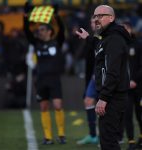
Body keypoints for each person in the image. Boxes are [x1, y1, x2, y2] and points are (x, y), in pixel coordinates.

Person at [76, 5, 131, 150]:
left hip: (113, 96)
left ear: (111, 18)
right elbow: (100, 47)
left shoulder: (114, 39)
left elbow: (113, 72)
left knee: (108, 141)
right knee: (107, 139)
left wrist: (104, 98)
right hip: (112, 95)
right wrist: (88, 38)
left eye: (101, 15)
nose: (96, 19)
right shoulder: (107, 37)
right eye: (95, 16)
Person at [23, 2, 66, 145]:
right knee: (43, 107)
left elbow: (62, 30)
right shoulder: (36, 43)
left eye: (42, 29)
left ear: (49, 31)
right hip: (41, 79)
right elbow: (27, 31)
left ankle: (61, 134)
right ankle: (48, 137)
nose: (39, 32)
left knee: (58, 105)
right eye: (39, 30)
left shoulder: (57, 42)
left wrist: (56, 16)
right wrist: (25, 16)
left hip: (54, 79)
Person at [76, 18, 100, 145]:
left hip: (105, 76)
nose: (94, 24)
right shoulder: (89, 39)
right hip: (93, 77)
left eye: (96, 21)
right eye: (91, 22)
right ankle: (93, 135)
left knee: (108, 107)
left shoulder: (106, 38)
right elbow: (88, 61)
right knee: (88, 101)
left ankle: (114, 135)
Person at [122, 21, 142, 150]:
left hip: (139, 86)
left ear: (130, 30)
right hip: (125, 88)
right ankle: (131, 141)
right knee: (127, 114)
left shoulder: (139, 45)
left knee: (140, 114)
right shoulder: (119, 46)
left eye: (125, 29)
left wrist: (134, 80)